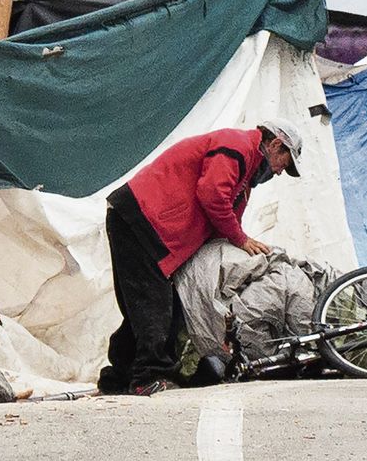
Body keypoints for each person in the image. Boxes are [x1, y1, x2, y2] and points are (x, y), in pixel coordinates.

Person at [97, 118, 303, 395]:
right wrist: (241, 240)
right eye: (284, 163)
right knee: (154, 303)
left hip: (154, 228)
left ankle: (117, 379)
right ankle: (148, 377)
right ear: (276, 144)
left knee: (150, 306)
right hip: (141, 219)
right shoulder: (238, 145)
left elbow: (225, 221)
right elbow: (212, 195)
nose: (279, 172)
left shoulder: (245, 176)